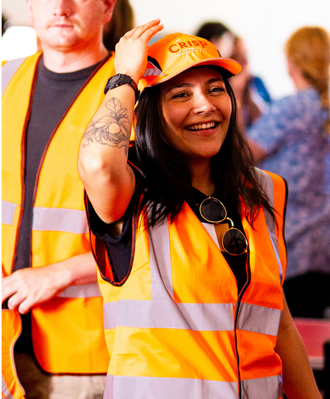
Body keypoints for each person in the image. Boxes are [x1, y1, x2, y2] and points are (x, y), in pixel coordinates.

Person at [78, 19, 321, 398]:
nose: (205, 104)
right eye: (180, 94)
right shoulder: (133, 191)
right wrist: (125, 77)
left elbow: (279, 323)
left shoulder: (262, 190)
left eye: (215, 89)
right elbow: (96, 163)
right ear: (151, 110)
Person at [1, 0, 118, 398]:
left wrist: (60, 272)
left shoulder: (137, 95)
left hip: (86, 354)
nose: (61, 7)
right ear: (30, 7)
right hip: (0, 343)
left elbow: (164, 230)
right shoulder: (0, 81)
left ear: (107, 7)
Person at [248, 26, 330, 319]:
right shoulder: (320, 107)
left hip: (293, 246)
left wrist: (232, 92)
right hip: (324, 244)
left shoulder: (292, 107)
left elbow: (242, 153)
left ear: (292, 61)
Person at [195, 21, 271, 130]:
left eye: (245, 54)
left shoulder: (254, 82)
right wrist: (237, 94)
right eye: (238, 55)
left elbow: (266, 127)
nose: (245, 60)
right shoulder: (216, 86)